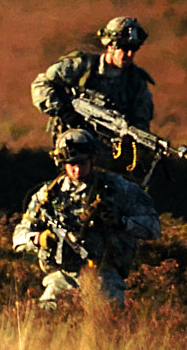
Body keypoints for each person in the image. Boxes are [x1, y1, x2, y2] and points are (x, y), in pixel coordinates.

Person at [11, 127, 161, 310]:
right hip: (62, 276)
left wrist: (122, 223)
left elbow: (153, 227)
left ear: (93, 159)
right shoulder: (48, 195)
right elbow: (19, 236)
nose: (77, 169)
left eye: (82, 163)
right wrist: (38, 239)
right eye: (71, 163)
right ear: (62, 163)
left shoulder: (119, 188)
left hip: (105, 275)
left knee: (110, 320)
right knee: (45, 316)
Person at [32, 15, 155, 136]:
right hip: (76, 141)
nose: (129, 54)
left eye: (134, 49)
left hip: (110, 147)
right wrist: (65, 111)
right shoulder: (83, 67)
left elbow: (141, 121)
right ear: (110, 46)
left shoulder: (136, 81)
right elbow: (41, 84)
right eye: (124, 48)